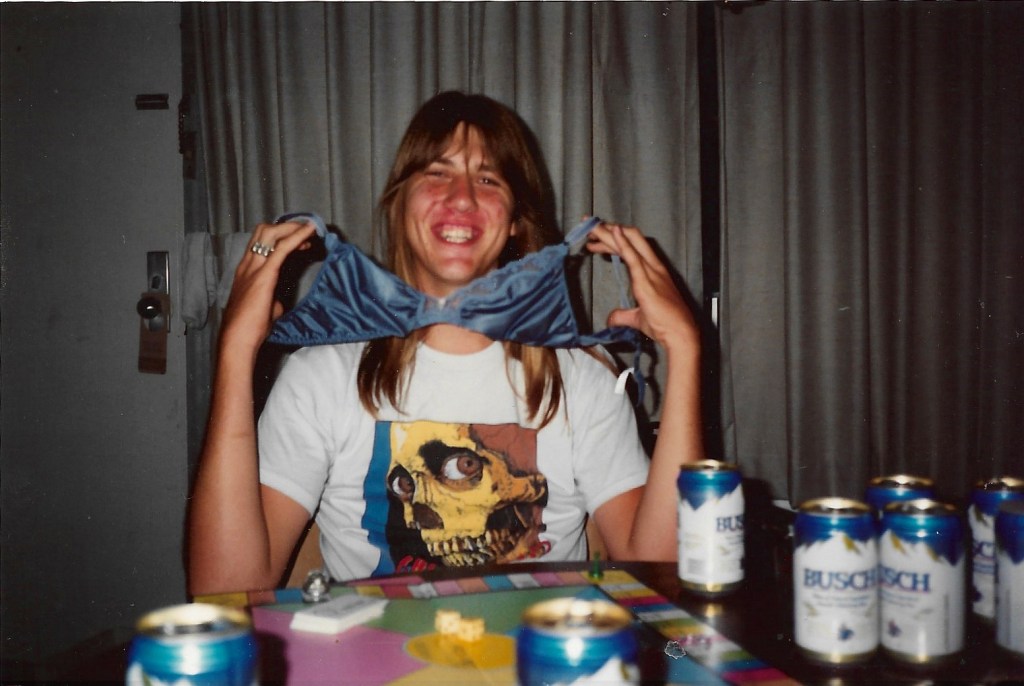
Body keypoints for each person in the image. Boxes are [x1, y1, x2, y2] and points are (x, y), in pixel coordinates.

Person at [187, 91, 704, 595]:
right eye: (437, 172)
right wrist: (235, 348)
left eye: (488, 178)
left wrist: (684, 350)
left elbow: (664, 577)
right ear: (400, 205)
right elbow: (224, 590)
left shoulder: (584, 376)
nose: (462, 197)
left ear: (515, 221)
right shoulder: (321, 376)